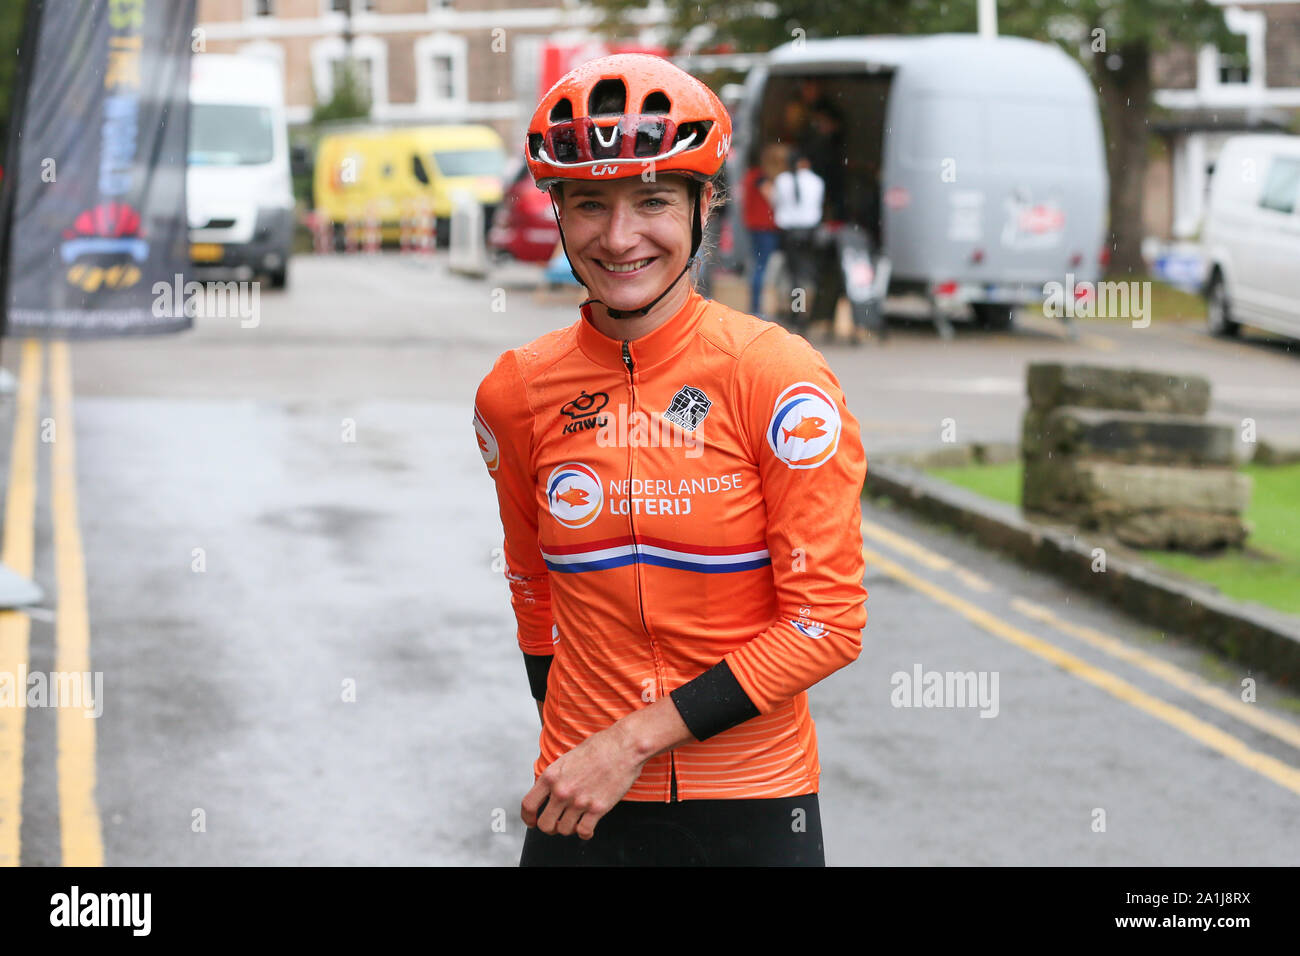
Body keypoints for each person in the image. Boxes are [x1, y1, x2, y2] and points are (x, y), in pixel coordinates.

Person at [473, 53, 867, 867]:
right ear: (556, 211)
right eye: (589, 204)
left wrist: (627, 743)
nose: (620, 238)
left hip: (753, 804)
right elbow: (532, 583)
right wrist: (582, 751)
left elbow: (825, 622)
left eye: (652, 200)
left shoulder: (774, 375)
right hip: (581, 805)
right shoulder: (515, 392)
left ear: (703, 203)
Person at [771, 150, 825, 331]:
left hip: (789, 232)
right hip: (809, 232)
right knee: (805, 273)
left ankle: (797, 312)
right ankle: (805, 313)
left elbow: (776, 203)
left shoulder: (782, 181)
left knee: (794, 275)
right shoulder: (816, 181)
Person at [741, 143, 785, 317]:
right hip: (764, 227)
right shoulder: (760, 178)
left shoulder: (751, 175)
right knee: (761, 267)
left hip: (755, 226)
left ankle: (755, 306)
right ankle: (756, 307)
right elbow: (774, 198)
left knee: (758, 265)